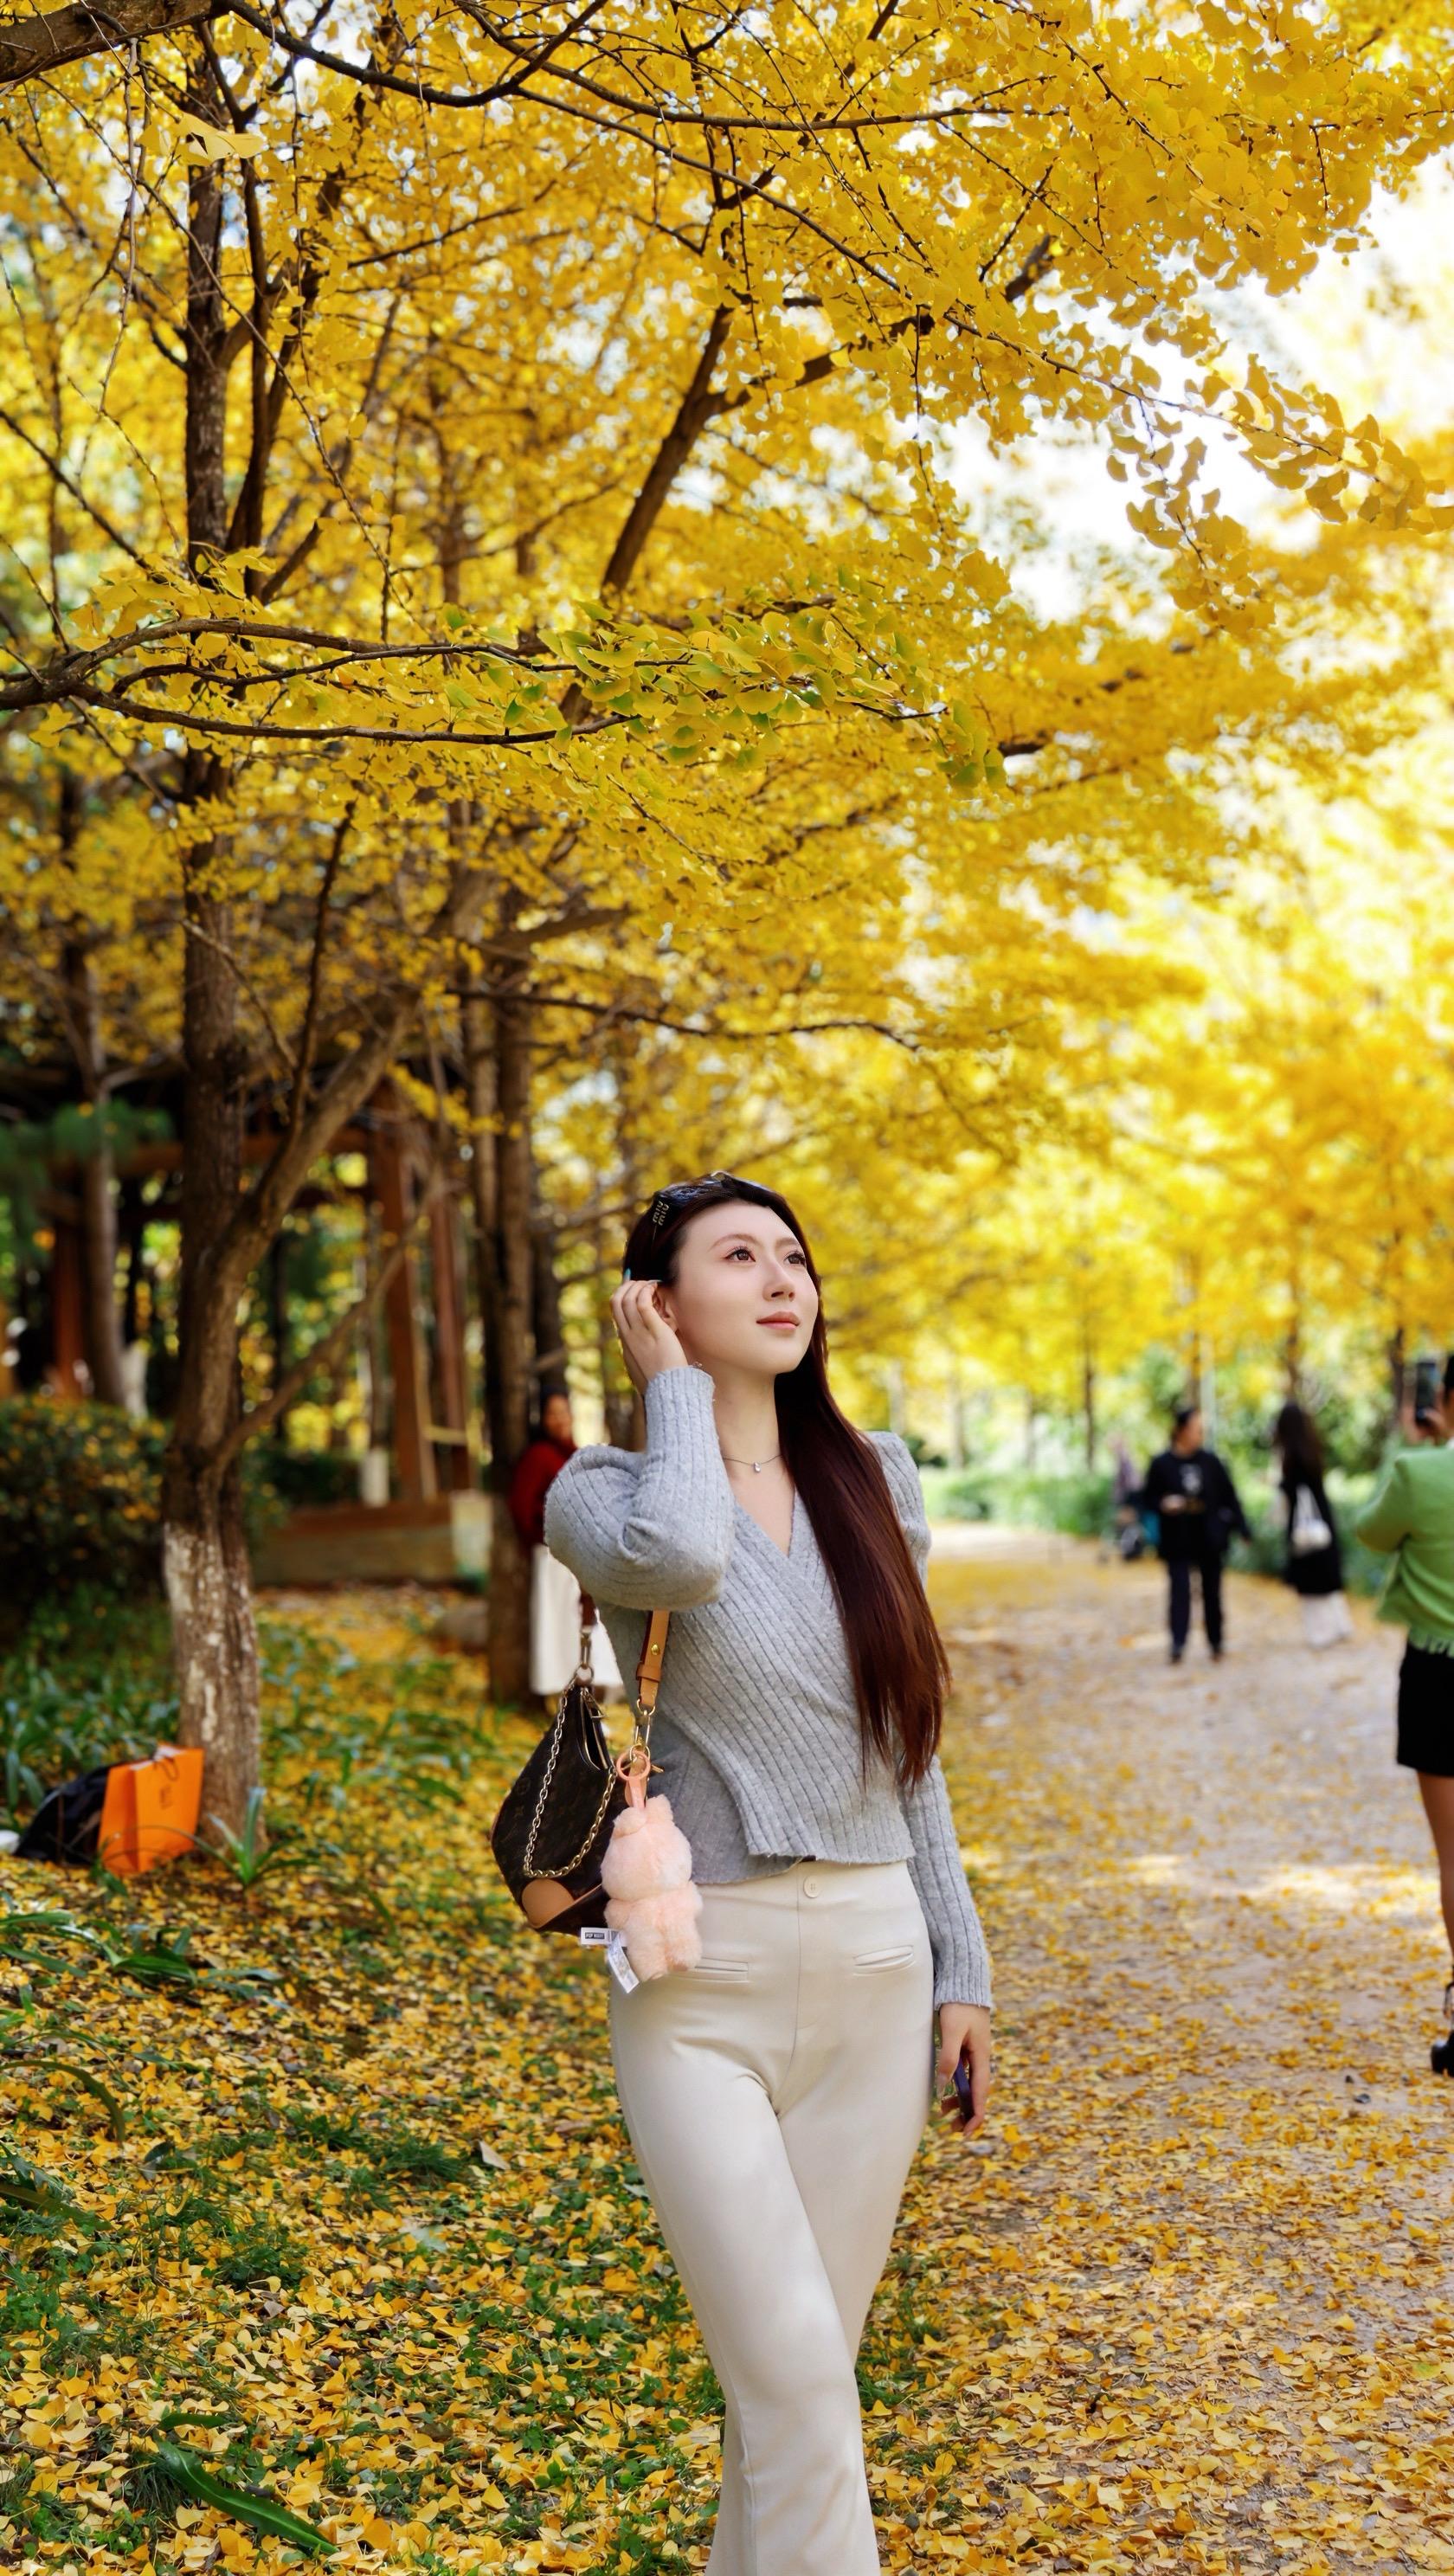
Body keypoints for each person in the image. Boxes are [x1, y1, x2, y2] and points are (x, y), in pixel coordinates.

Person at [544, 1170, 992, 2576]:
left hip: (873, 1967)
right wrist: (671, 1393)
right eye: (739, 1256)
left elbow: (903, 1748)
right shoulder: (603, 1492)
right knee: (798, 2376)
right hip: (700, 1979)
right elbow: (680, 1560)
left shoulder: (879, 1483)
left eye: (795, 1254)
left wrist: (961, 1965)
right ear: (659, 1302)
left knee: (786, 2398)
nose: (784, 1278)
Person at [1354, 1364, 1454, 2065]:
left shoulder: (1421, 1475)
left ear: (1446, 1403)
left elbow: (1370, 1533)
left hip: (1438, 1676)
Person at [508, 1388, 621, 1699]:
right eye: (552, 1413)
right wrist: (551, 1532)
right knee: (558, 1625)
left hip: (584, 1554)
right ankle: (560, 1698)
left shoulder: (577, 1455)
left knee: (587, 1625)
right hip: (553, 1555)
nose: (559, 1419)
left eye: (563, 1412)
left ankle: (593, 1695)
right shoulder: (538, 1457)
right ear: (542, 1420)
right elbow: (521, 1507)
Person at [1142, 1401, 1250, 1665]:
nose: (1199, 1434)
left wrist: (1243, 1527)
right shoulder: (1161, 1464)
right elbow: (1147, 1498)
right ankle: (1178, 1642)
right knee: (1179, 1590)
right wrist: (1163, 1504)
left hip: (1209, 1537)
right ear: (1180, 1430)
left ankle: (1216, 1641)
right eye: (1194, 1428)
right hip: (1177, 1538)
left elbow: (1229, 1496)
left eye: (1200, 1429)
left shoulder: (1211, 1462)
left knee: (1212, 1591)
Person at [1271, 1401, 1353, 1648]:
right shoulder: (1312, 1448)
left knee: (1310, 1581)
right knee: (1326, 1578)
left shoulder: (1292, 1454)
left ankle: (1321, 1633)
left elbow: (1292, 1489)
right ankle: (1340, 1625)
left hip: (1304, 1526)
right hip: (1321, 1521)